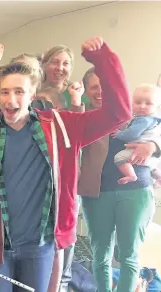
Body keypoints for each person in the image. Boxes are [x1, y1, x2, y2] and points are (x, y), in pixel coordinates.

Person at [0, 37, 132, 292]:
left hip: (41, 247)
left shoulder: (63, 126)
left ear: (32, 94)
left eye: (19, 91)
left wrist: (102, 59)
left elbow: (119, 113)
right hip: (1, 250)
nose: (11, 99)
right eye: (4, 92)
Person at [78, 70, 161, 292]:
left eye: (105, 85)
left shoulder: (135, 116)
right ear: (86, 91)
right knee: (100, 254)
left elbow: (157, 130)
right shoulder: (83, 116)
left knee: (129, 255)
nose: (101, 91)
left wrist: (153, 146)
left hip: (136, 191)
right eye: (94, 86)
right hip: (97, 194)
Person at [113, 84, 161, 184]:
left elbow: (132, 134)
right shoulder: (151, 119)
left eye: (148, 103)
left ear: (156, 106)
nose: (142, 106)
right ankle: (158, 176)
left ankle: (131, 175)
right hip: (147, 157)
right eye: (137, 102)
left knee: (119, 158)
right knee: (151, 166)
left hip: (137, 149)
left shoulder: (143, 120)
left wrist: (119, 134)